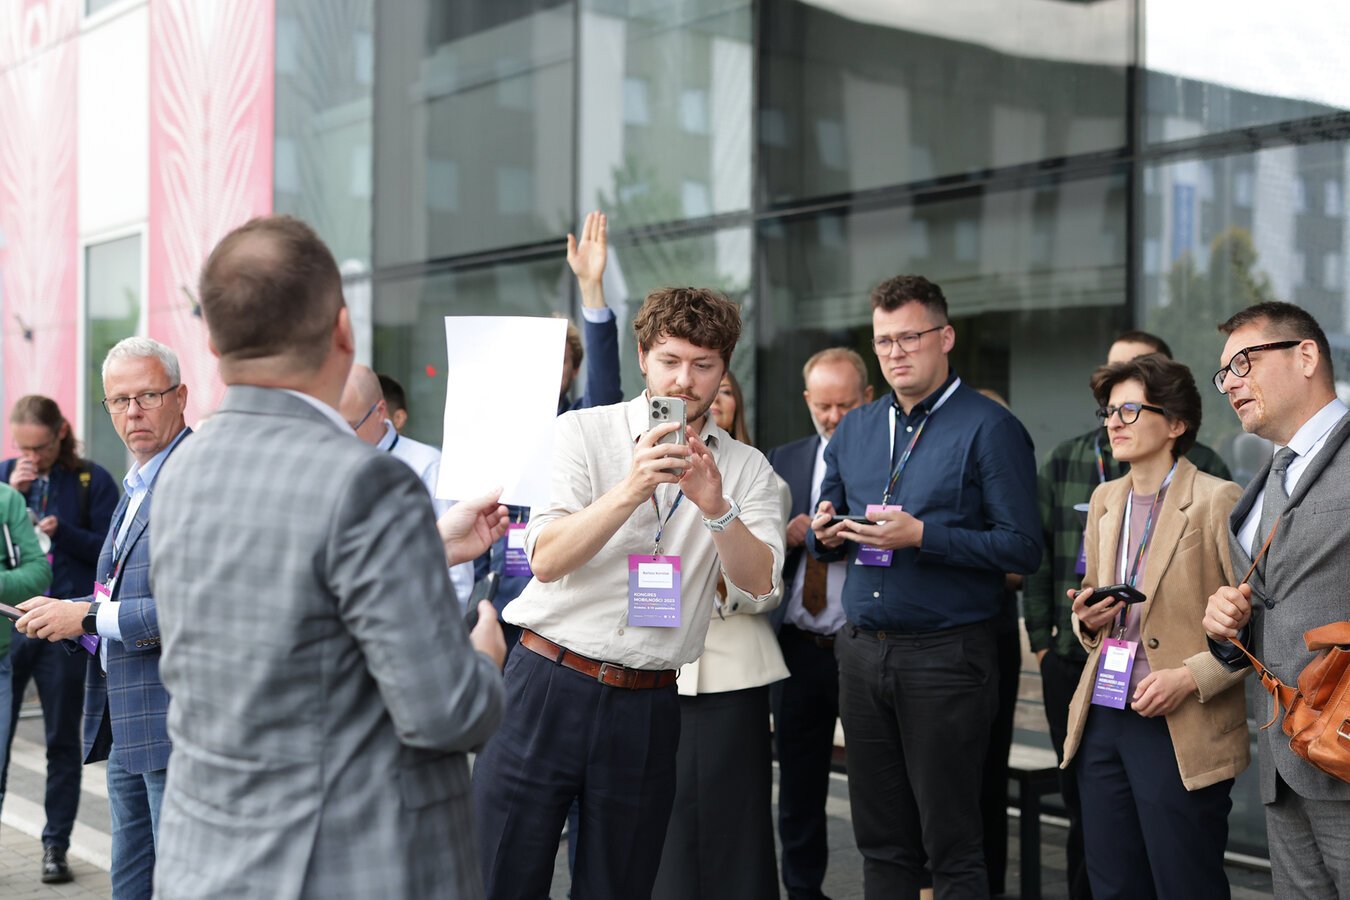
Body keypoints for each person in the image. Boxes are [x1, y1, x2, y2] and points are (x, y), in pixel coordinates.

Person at [147, 214, 508, 898]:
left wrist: (428, 547)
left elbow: (288, 608)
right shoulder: (368, 481)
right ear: (343, 330)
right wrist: (484, 659)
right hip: (345, 868)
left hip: (204, 864)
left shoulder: (180, 470)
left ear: (214, 342)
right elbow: (446, 711)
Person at [472, 285, 785, 900]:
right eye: (670, 360)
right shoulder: (582, 432)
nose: (684, 380)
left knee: (619, 887)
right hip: (546, 682)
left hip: (648, 703)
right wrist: (631, 488)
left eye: (703, 365)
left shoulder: (748, 469)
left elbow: (762, 585)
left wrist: (717, 509)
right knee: (498, 876)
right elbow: (546, 558)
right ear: (642, 357)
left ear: (724, 368)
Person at [808, 274, 1040, 897]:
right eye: (884, 341)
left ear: (946, 337)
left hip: (947, 656)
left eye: (910, 337)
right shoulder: (855, 429)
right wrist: (825, 533)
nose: (896, 353)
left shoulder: (990, 427)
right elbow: (829, 518)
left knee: (952, 846)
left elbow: (1022, 548)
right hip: (862, 652)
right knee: (880, 842)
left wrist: (923, 536)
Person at [1021, 330, 1232, 900]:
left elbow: (1253, 625)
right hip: (1105, 709)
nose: (1114, 422)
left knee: (1183, 882)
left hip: (1179, 719)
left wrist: (1187, 678)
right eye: (1109, 411)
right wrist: (1086, 620)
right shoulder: (1106, 500)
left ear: (1176, 423)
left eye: (1131, 410)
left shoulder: (1217, 499)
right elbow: (1096, 604)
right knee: (1112, 882)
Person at [15, 337, 191, 900]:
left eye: (147, 396)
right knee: (130, 880)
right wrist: (63, 616)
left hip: (173, 720)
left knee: (178, 880)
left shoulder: (194, 479)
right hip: (122, 714)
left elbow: (193, 610)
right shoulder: (137, 480)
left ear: (180, 396)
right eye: (118, 400)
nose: (132, 412)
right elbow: (112, 589)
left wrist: (86, 618)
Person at [1203, 301, 1350, 898]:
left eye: (1244, 362)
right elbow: (1276, 607)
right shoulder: (1262, 483)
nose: (1231, 383)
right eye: (1224, 374)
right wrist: (1228, 628)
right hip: (1284, 761)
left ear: (1306, 356)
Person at [652, 370, 789, 900]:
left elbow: (763, 587)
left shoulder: (758, 475)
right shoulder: (640, 468)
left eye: (723, 387)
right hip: (650, 661)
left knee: (735, 827)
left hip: (730, 669)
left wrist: (710, 579)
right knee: (663, 829)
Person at [764, 347, 872, 900]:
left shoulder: (882, 460)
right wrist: (785, 535)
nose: (832, 417)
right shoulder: (782, 458)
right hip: (797, 644)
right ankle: (803, 890)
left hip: (860, 642)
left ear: (867, 399)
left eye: (844, 406)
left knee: (876, 781)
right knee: (799, 782)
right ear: (807, 400)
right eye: (822, 406)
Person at [0, 396, 117, 884]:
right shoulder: (6, 479)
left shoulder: (91, 480)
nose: (32, 456)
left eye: (41, 447)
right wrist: (13, 493)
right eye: (23, 447)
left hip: (65, 629)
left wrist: (62, 531)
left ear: (61, 434)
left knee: (61, 741)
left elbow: (111, 554)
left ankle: (55, 846)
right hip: (12, 627)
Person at [340, 363, 474, 601]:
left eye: (351, 426)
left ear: (380, 411)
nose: (341, 436)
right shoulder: (330, 463)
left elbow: (457, 577)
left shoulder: (428, 465)